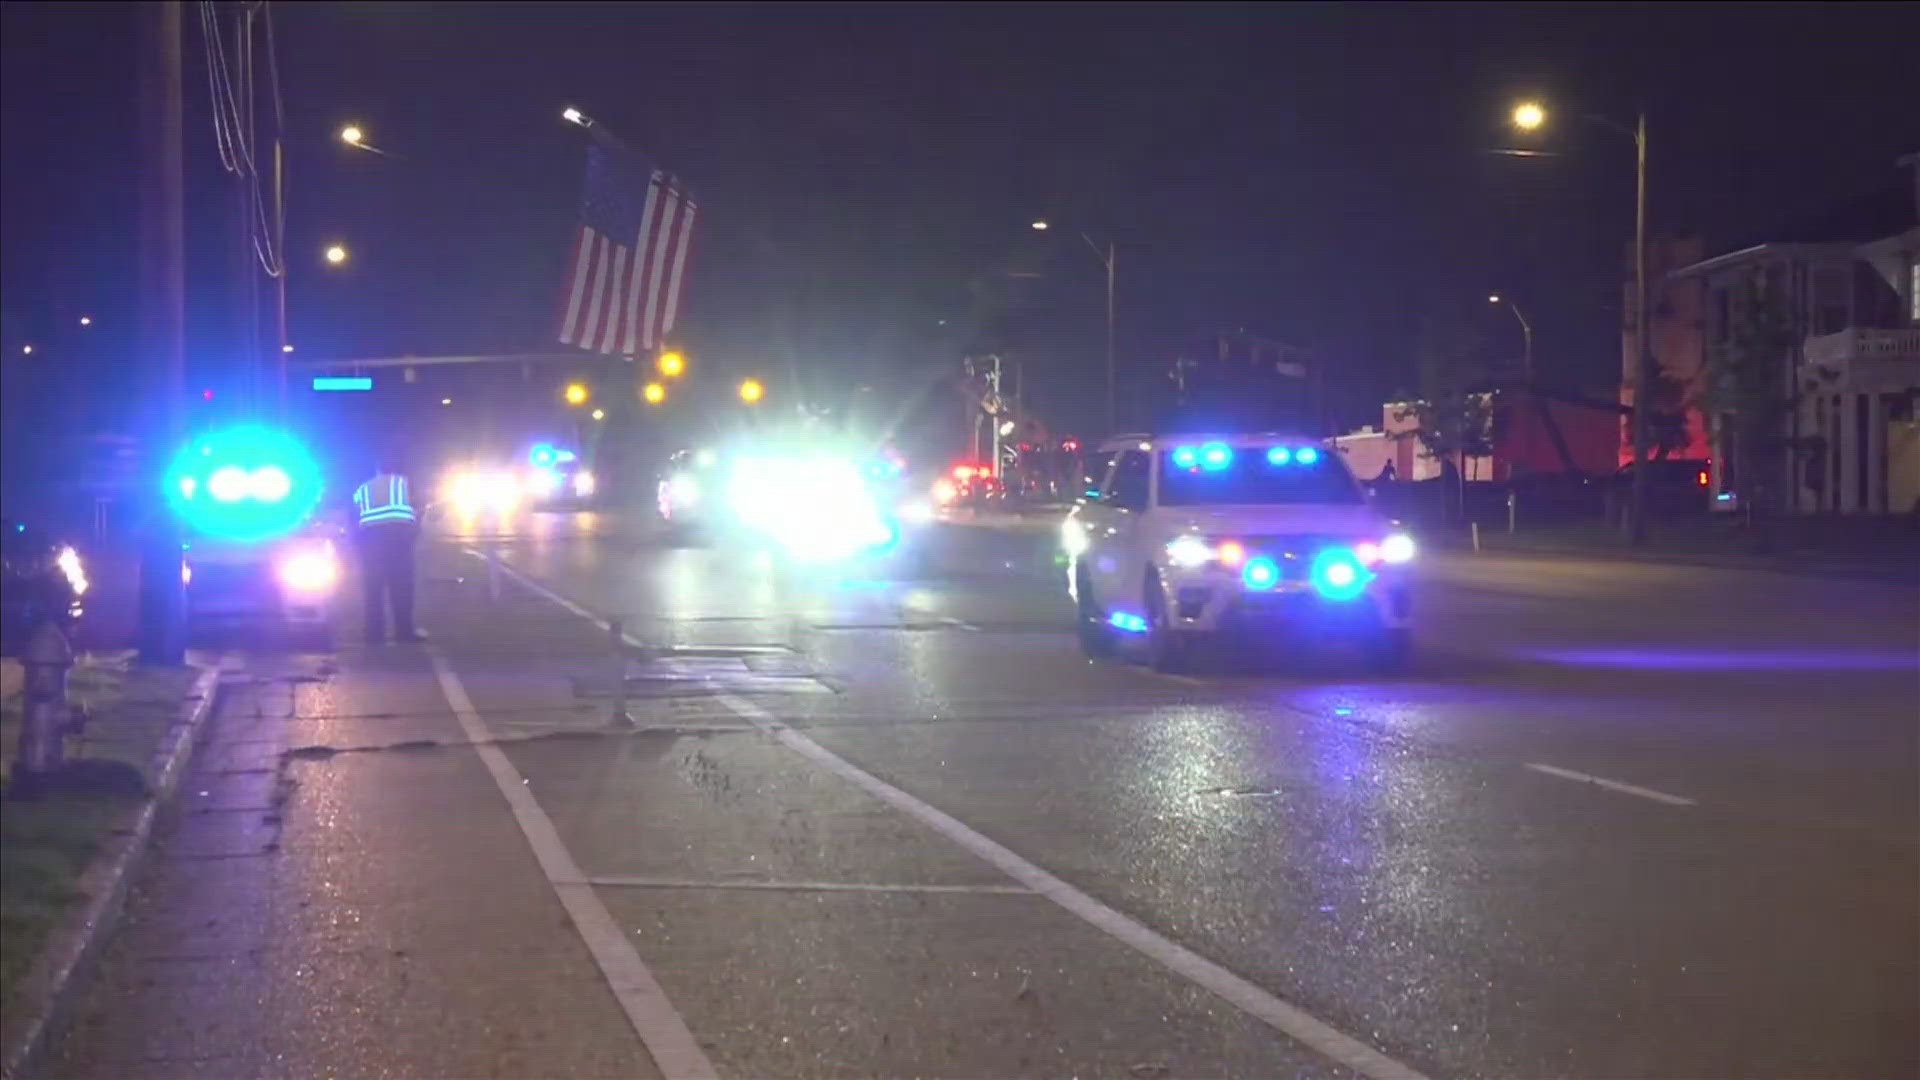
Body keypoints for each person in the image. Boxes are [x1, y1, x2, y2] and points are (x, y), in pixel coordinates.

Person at [351, 454, 421, 643]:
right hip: (399, 539)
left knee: (373, 589)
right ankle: (404, 632)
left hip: (371, 541)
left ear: (377, 469)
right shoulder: (405, 484)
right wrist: (413, 535)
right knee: (401, 587)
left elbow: (353, 515)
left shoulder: (363, 488)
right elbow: (418, 508)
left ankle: (374, 634)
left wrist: (357, 544)